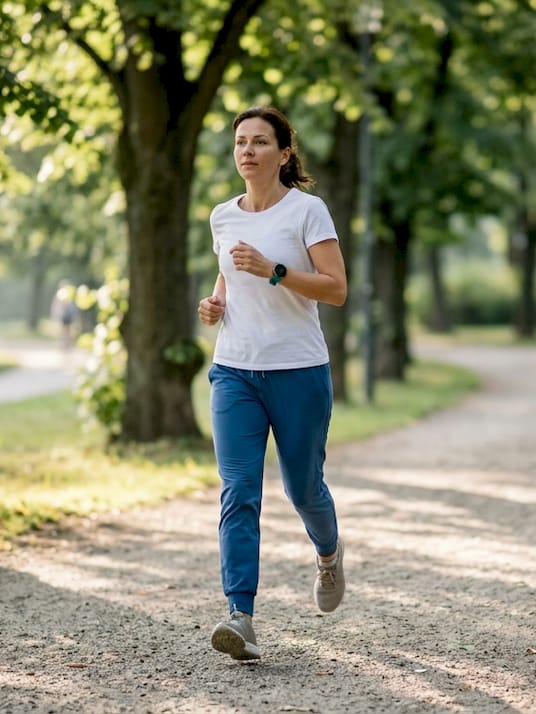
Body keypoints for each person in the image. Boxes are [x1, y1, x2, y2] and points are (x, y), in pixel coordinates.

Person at [197, 105, 349, 661]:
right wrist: (215, 303)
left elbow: (336, 289)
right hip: (234, 371)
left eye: (260, 141)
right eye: (241, 142)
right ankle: (240, 615)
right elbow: (227, 275)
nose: (248, 150)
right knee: (239, 490)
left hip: (298, 371)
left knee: (303, 489)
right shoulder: (222, 216)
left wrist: (275, 271)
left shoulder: (307, 211)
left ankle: (328, 555)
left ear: (284, 154)